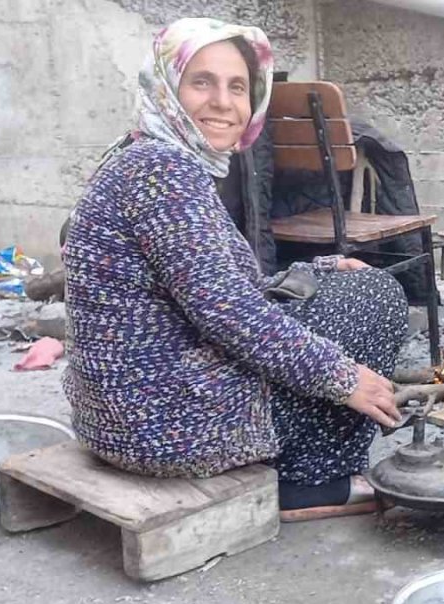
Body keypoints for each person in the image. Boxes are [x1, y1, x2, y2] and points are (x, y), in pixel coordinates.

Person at [63, 18, 408, 521]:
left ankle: (304, 461)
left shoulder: (140, 154)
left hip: (123, 416)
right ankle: (309, 481)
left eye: (238, 87)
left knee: (346, 282)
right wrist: (343, 378)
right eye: (202, 82)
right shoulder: (164, 170)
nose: (224, 102)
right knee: (374, 298)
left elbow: (211, 288)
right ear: (166, 87)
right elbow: (228, 312)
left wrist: (322, 267)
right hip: (163, 427)